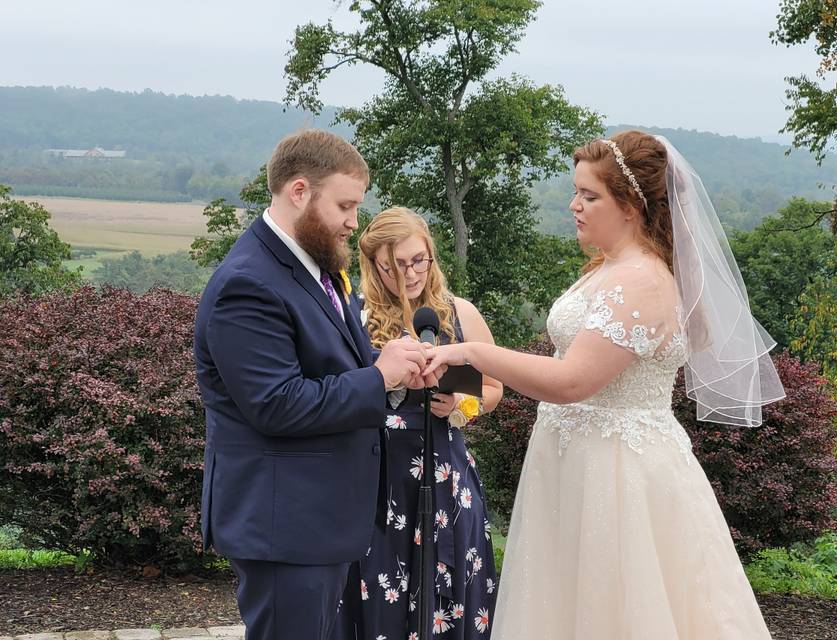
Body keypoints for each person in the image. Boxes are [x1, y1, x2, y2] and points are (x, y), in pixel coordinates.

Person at [424, 131, 786, 639]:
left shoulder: (640, 279)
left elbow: (572, 381)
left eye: (589, 196)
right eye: (576, 192)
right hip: (575, 463)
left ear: (631, 205)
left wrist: (473, 352)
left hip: (618, 476)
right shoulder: (608, 269)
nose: (574, 205)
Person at [194, 130, 432, 640]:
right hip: (284, 525)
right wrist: (379, 375)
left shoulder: (312, 267)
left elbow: (331, 366)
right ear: (299, 191)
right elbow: (277, 405)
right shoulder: (248, 282)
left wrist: (395, 370)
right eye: (345, 205)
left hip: (317, 520)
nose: (353, 221)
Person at [339, 206, 502, 639]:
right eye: (394, 266)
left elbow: (494, 387)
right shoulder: (352, 317)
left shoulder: (458, 312)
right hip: (376, 480)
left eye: (418, 261)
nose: (410, 275)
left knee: (445, 600)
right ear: (373, 265)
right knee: (377, 595)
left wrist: (459, 407)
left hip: (445, 474)